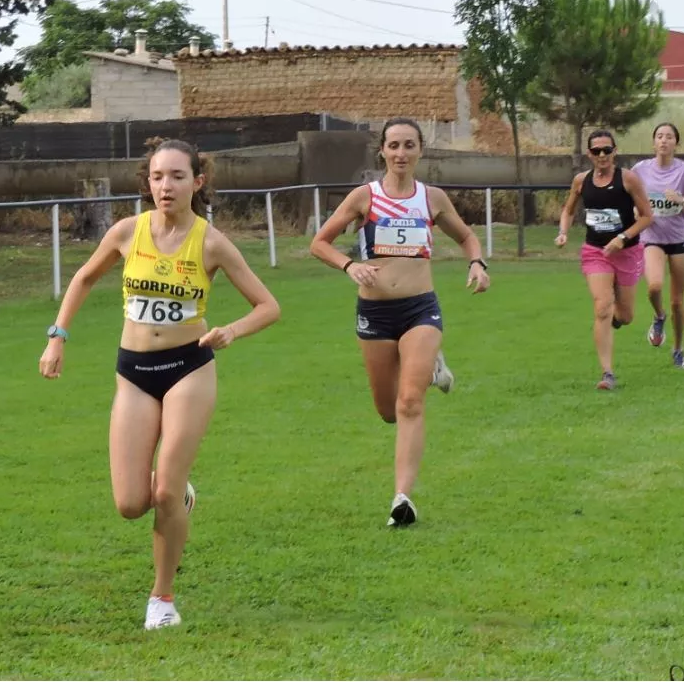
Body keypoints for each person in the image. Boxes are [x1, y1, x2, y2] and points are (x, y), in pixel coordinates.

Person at [38, 138, 280, 630]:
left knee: (164, 494)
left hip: (189, 367)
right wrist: (57, 337)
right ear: (147, 183)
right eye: (156, 177)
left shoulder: (211, 242)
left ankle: (162, 598)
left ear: (198, 181)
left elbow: (268, 306)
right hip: (133, 372)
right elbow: (83, 278)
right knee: (130, 503)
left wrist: (229, 331)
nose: (165, 186)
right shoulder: (129, 232)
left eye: (176, 176)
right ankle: (176, 492)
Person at [310, 117, 490, 526]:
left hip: (420, 308)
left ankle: (402, 498)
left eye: (409, 145)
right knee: (388, 410)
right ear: (383, 151)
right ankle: (433, 368)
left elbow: (466, 236)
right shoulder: (364, 197)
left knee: (410, 403)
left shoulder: (432, 198)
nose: (401, 153)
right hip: (374, 313)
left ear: (420, 150)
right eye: (394, 145)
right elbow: (319, 243)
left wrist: (477, 263)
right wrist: (349, 266)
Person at [555, 129, 653, 390]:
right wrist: (563, 232)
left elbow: (646, 216)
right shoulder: (581, 180)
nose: (602, 155)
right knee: (602, 306)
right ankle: (607, 373)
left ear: (615, 151)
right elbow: (568, 210)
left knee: (627, 315)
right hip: (595, 252)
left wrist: (622, 237)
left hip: (627, 252)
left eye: (606, 150)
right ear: (589, 154)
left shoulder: (628, 180)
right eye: (596, 151)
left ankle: (615, 320)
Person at [632, 123, 684, 369]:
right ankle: (659, 316)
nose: (664, 141)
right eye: (659, 136)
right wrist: (634, 210)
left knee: (678, 301)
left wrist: (682, 200)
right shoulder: (640, 170)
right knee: (654, 287)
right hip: (651, 238)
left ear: (676, 143)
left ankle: (678, 348)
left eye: (669, 137)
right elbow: (626, 197)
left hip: (679, 240)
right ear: (653, 142)